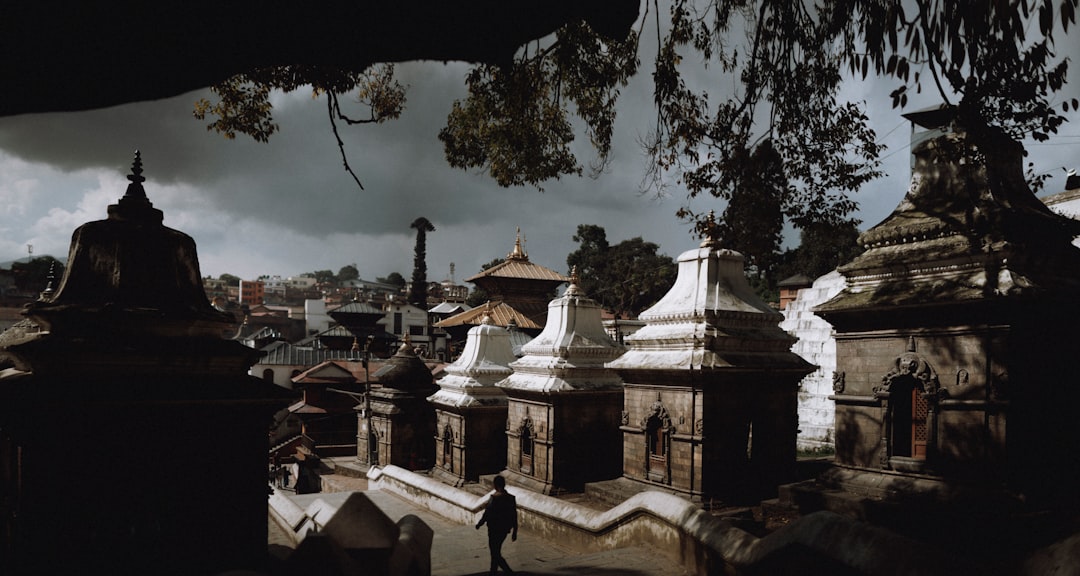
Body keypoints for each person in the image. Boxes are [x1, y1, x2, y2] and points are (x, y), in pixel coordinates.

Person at [476, 475, 518, 575]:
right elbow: (514, 515)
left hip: (494, 529)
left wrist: (480, 523)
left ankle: (509, 572)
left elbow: (487, 513)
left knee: (495, 553)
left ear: (495, 485)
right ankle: (493, 571)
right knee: (496, 551)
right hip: (504, 529)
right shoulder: (511, 498)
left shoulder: (494, 498)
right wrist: (515, 531)